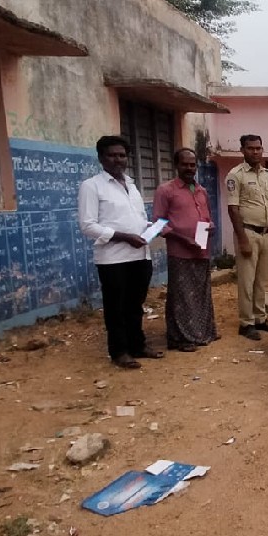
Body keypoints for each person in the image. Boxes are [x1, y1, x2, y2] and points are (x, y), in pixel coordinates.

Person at [77, 135, 162, 369]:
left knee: (135, 305)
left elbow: (138, 220)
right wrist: (124, 237)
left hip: (140, 256)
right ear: (101, 158)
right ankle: (119, 351)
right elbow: (87, 225)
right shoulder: (92, 186)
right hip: (113, 259)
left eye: (122, 155)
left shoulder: (131, 186)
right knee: (115, 307)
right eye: (112, 155)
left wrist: (156, 228)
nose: (118, 159)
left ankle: (138, 345)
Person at [152, 148, 218, 352]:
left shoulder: (201, 191)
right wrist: (183, 239)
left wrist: (211, 227)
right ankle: (179, 338)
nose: (189, 168)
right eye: (185, 164)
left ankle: (203, 332)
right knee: (181, 296)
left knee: (201, 294)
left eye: (192, 164)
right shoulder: (166, 190)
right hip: (180, 252)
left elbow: (206, 217)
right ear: (176, 165)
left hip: (201, 250)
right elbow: (158, 224)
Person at [225, 134, 268, 341]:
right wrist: (242, 240)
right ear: (242, 150)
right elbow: (233, 209)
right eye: (250, 148)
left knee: (262, 280)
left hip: (266, 233)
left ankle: (260, 318)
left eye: (258, 148)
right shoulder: (235, 175)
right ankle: (246, 323)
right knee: (247, 282)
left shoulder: (267, 175)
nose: (255, 152)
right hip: (247, 233)